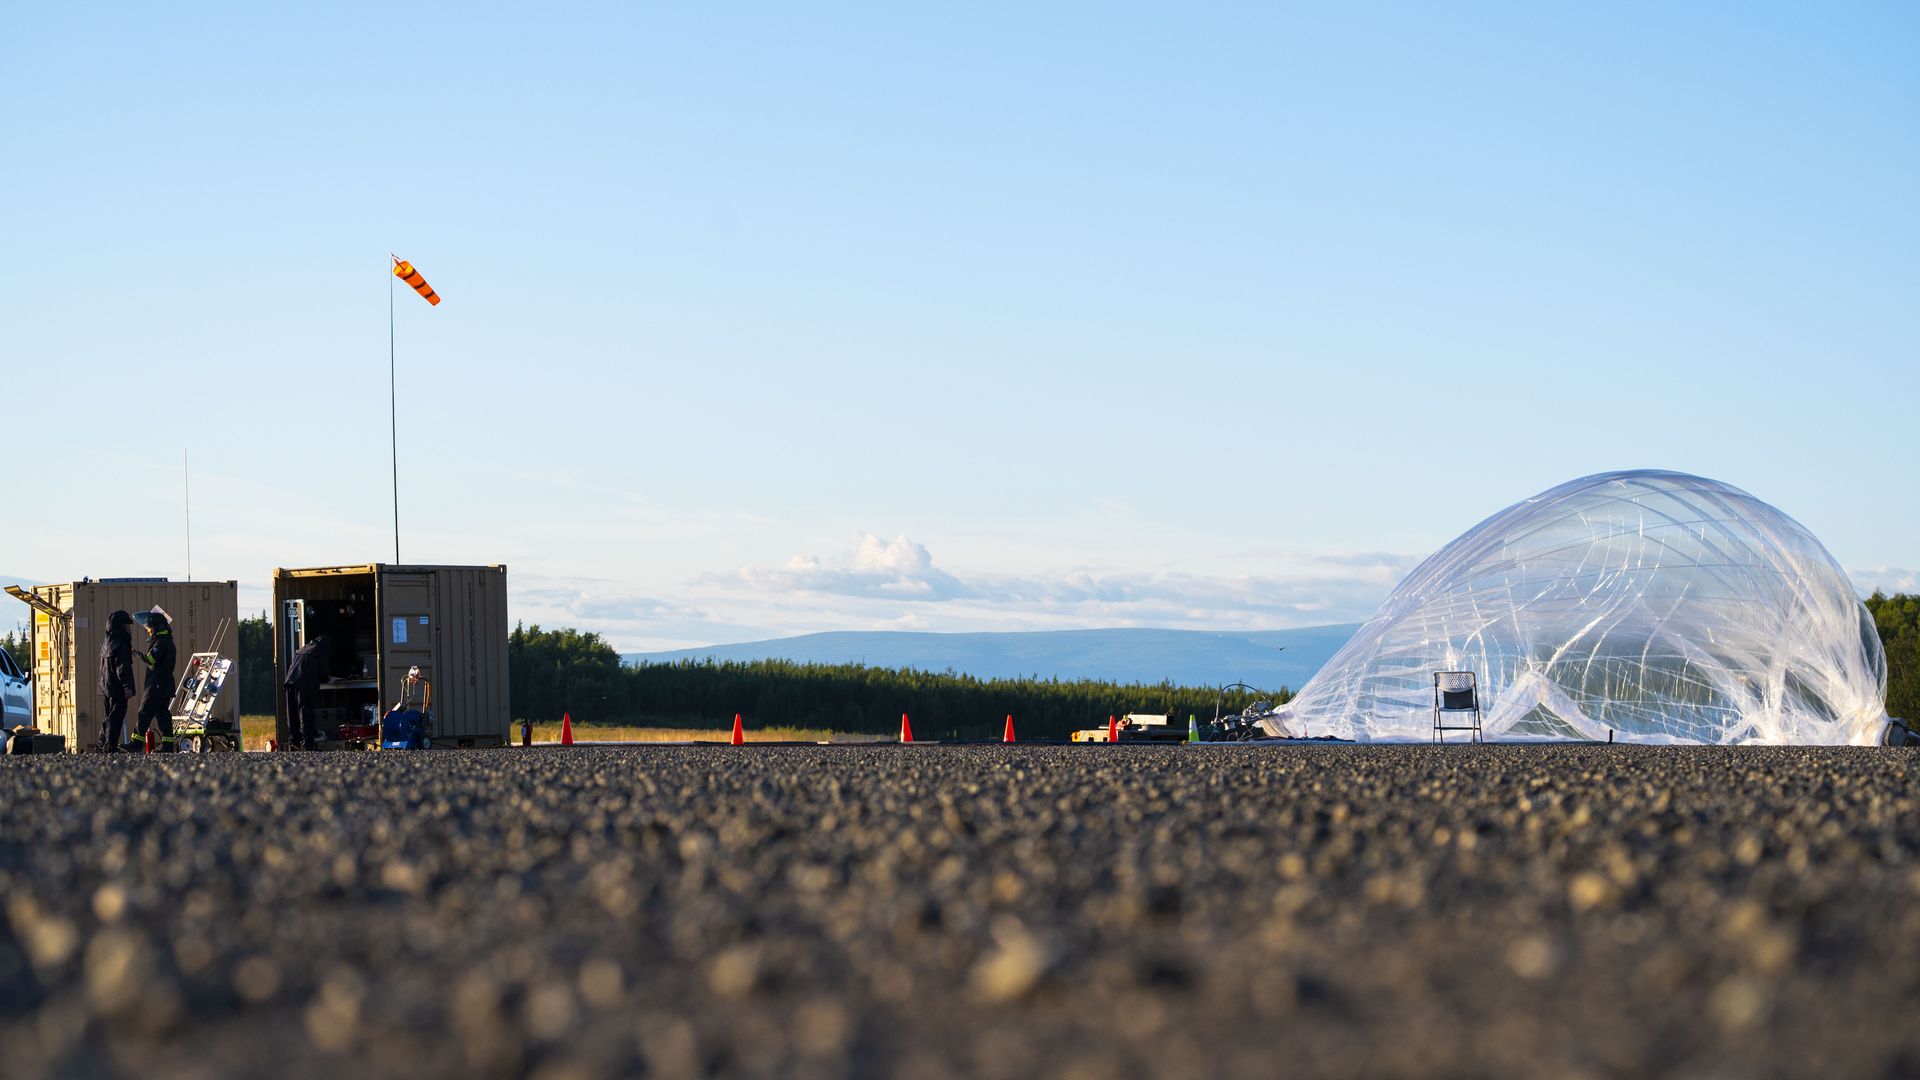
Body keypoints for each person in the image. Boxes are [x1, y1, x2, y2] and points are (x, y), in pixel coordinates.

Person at [132, 606, 177, 750]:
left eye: (149, 628)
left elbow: (151, 659)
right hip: (164, 685)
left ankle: (136, 743)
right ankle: (168, 745)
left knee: (144, 712)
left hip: (157, 685)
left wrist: (136, 653)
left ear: (156, 628)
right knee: (162, 714)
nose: (148, 630)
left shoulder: (161, 642)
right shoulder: (166, 640)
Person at [282, 632, 335, 751]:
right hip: (304, 683)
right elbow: (324, 673)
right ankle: (308, 744)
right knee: (306, 713)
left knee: (292, 714)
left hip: (289, 682)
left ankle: (294, 743)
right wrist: (328, 678)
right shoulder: (321, 650)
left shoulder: (303, 649)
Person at [96, 609, 137, 752]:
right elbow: (122, 667)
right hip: (117, 687)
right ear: (120, 626)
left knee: (108, 716)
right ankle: (110, 746)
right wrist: (127, 686)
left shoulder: (107, 641)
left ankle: (101, 744)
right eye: (126, 626)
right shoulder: (120, 643)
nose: (128, 629)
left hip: (106, 685)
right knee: (116, 717)